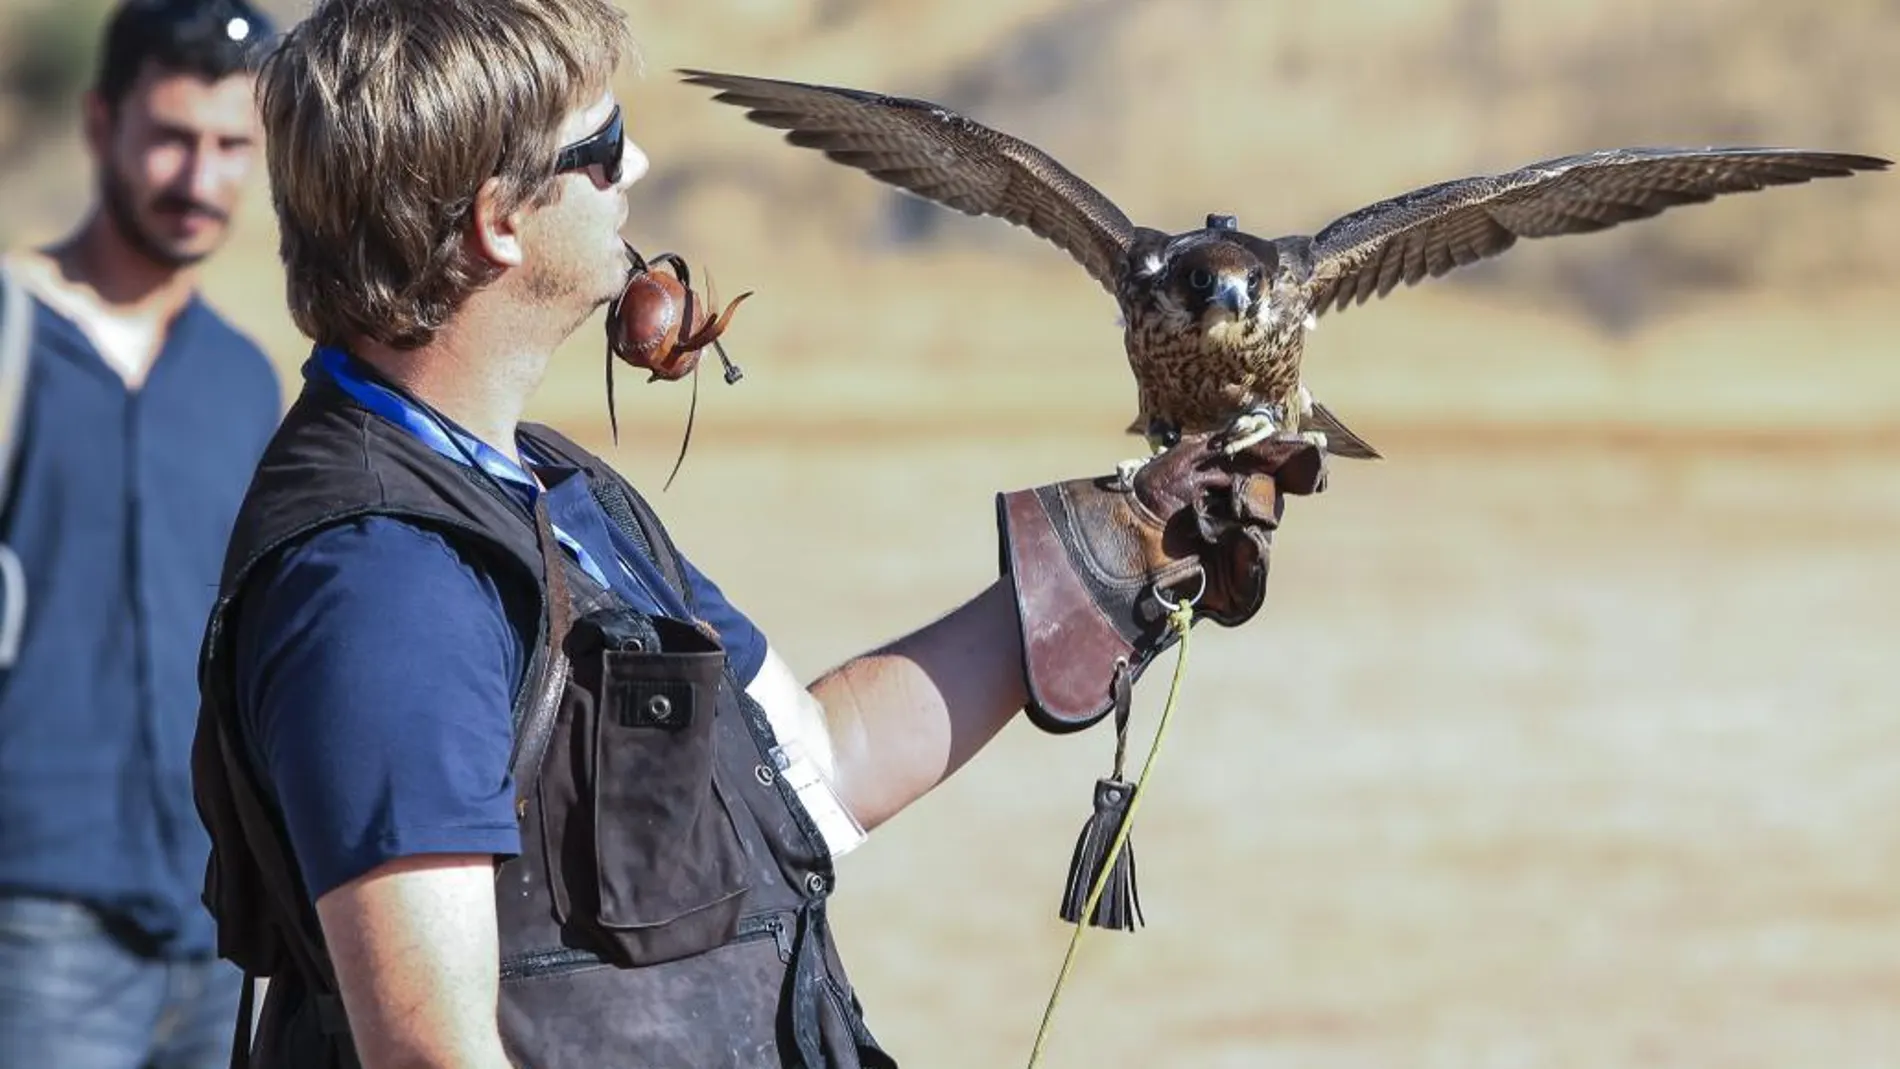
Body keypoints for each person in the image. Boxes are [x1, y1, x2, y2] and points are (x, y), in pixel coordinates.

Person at [188, 1, 1327, 1066]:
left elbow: (808, 770)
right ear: (497, 221)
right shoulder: (385, 582)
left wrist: (1113, 551)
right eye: (602, 147)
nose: (634, 170)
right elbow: (431, 1048)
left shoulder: (558, 496)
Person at [0, 1, 284, 1067]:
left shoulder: (243, 376)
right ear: (99, 122)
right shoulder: (13, 327)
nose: (199, 179)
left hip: (215, 925)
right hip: (32, 919)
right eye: (171, 137)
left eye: (231, 147)